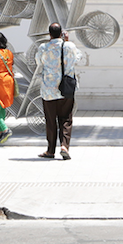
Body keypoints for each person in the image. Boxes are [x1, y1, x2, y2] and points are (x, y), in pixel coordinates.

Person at [33, 22, 83, 160]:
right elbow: (78, 57)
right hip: (66, 89)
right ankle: (64, 146)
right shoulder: (69, 46)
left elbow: (38, 62)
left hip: (49, 90)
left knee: (50, 121)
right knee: (66, 118)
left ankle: (50, 151)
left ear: (49, 34)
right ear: (61, 33)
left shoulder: (43, 48)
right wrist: (67, 41)